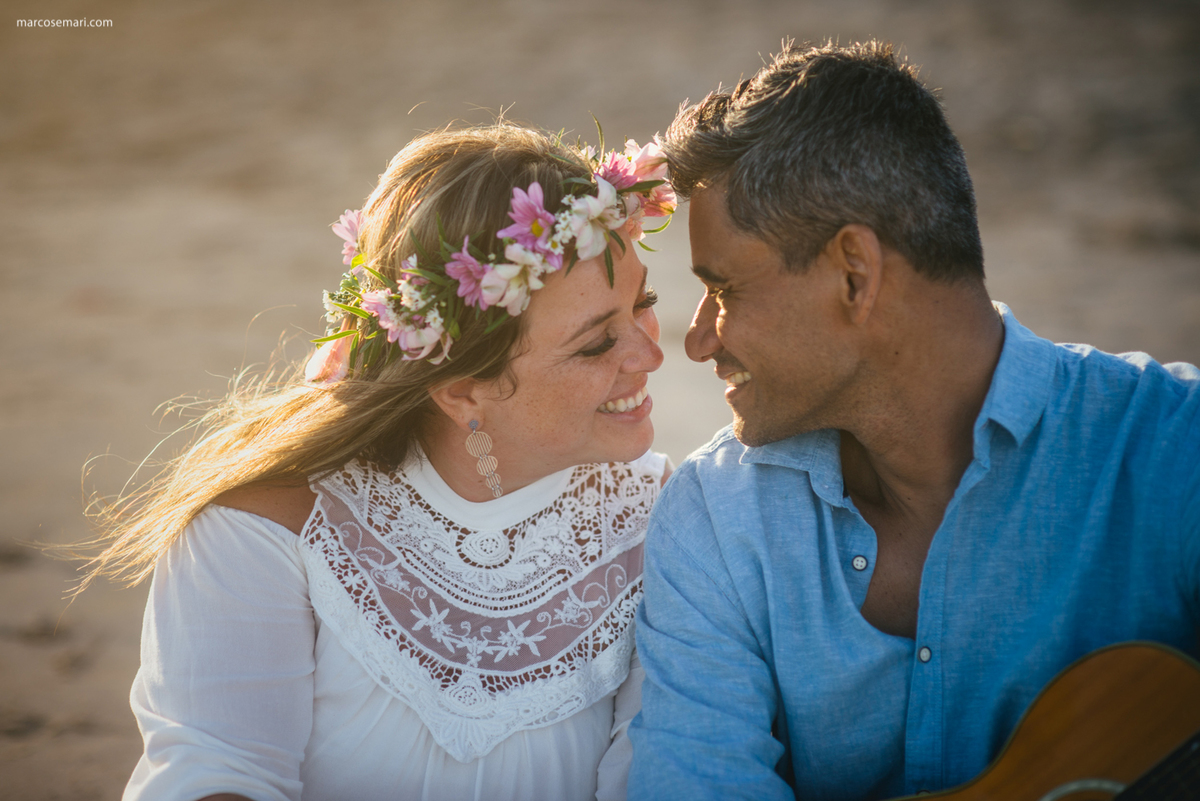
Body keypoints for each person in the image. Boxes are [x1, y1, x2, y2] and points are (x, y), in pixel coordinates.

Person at [628, 40, 1200, 800]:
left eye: (724, 289)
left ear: (854, 275)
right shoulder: (715, 520)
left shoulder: (1173, 450)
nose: (699, 339)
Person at [84, 122, 677, 801]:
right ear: (462, 391)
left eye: (645, 304)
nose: (651, 353)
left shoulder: (666, 520)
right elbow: (216, 773)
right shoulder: (263, 526)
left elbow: (652, 777)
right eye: (598, 343)